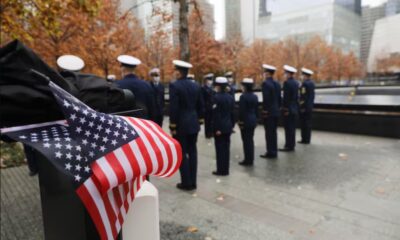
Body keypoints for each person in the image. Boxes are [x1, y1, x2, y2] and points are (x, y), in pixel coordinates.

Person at [169, 60, 204, 191]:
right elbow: (201, 106)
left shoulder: (175, 86)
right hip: (194, 123)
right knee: (193, 152)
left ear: (178, 72)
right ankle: (193, 181)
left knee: (182, 153)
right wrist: (200, 120)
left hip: (181, 125)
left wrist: (173, 126)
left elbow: (174, 108)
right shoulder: (196, 85)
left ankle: (186, 182)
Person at [116, 55, 155, 120]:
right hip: (143, 124)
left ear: (123, 68)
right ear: (134, 68)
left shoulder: (117, 85)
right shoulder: (146, 85)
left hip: (124, 125)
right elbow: (152, 109)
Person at [212, 77, 235, 176]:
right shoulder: (230, 97)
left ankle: (220, 170)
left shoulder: (216, 98)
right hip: (228, 126)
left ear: (218, 86)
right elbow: (233, 113)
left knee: (220, 149)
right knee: (226, 148)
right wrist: (232, 125)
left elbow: (216, 115)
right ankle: (226, 169)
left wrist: (217, 128)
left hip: (220, 128)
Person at [260, 64, 281, 159]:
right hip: (276, 111)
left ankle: (270, 152)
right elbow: (279, 98)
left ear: (267, 73)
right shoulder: (277, 83)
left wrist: (265, 111)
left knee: (269, 133)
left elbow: (266, 99)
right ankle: (274, 150)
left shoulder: (265, 84)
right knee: (273, 132)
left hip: (269, 112)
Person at [238, 78, 258, 166]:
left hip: (245, 120)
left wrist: (240, 122)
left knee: (246, 140)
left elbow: (241, 111)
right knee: (250, 139)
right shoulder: (255, 96)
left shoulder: (243, 97)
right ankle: (251, 158)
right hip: (253, 119)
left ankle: (247, 159)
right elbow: (256, 110)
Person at [280, 65, 299, 152]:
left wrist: (285, 109)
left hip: (289, 109)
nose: (284, 74)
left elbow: (286, 98)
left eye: (285, 73)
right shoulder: (296, 83)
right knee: (292, 128)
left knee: (288, 128)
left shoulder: (287, 83)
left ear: (288, 74)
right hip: (294, 108)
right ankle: (292, 144)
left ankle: (288, 146)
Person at [298, 67, 315, 144]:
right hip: (310, 106)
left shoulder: (304, 84)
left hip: (305, 107)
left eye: (302, 75)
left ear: (305, 76)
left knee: (304, 123)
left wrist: (301, 106)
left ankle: (304, 139)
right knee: (308, 123)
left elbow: (303, 96)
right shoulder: (312, 83)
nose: (301, 77)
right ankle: (308, 139)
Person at [201, 73, 214, 139]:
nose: (210, 81)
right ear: (206, 80)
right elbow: (202, 98)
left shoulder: (211, 88)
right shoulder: (203, 88)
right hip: (206, 106)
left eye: (211, 79)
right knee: (207, 121)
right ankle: (207, 133)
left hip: (211, 106)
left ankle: (211, 132)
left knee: (211, 120)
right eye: (209, 79)